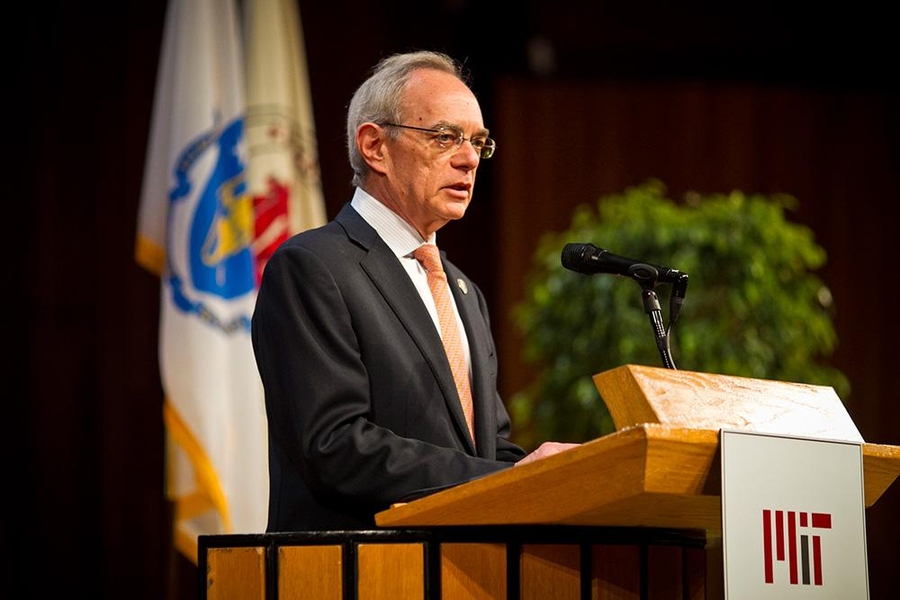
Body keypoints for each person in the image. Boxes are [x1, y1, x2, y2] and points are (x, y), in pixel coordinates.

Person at [251, 50, 579, 532]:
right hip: (356, 570)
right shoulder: (313, 268)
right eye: (445, 137)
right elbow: (334, 445)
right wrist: (509, 474)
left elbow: (485, 448)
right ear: (374, 146)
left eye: (478, 142)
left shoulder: (463, 290)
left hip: (463, 568)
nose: (468, 159)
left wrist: (556, 474)